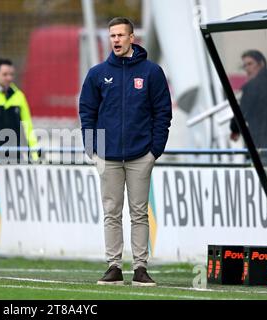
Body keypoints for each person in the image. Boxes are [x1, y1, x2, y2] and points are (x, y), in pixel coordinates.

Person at [79, 17, 172, 286]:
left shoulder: (151, 72)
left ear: (132, 38)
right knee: (111, 212)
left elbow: (162, 112)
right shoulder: (97, 73)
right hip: (107, 156)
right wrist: (92, 148)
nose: (116, 40)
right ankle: (114, 266)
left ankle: (141, 267)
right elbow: (87, 111)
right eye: (112, 36)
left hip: (141, 154)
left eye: (121, 35)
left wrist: (155, 150)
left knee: (139, 212)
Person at [230, 50, 267, 163]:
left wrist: (234, 129)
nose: (247, 69)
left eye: (250, 64)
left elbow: (240, 114)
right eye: (244, 65)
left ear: (261, 64)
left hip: (263, 146)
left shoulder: (252, 86)